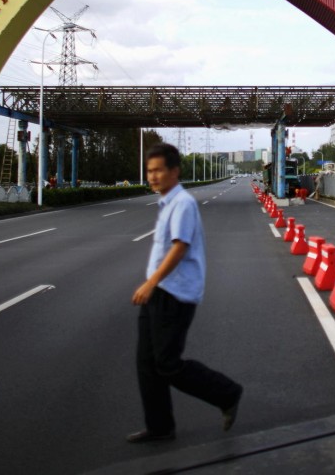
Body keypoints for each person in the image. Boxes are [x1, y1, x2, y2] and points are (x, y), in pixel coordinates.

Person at [127, 143, 243, 444]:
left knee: (166, 364)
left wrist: (151, 282)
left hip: (174, 294)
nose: (151, 176)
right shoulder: (167, 202)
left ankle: (227, 393)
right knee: (146, 364)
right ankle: (160, 426)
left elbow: (180, 247)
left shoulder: (183, 204)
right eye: (149, 171)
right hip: (158, 292)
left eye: (157, 170)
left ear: (174, 172)